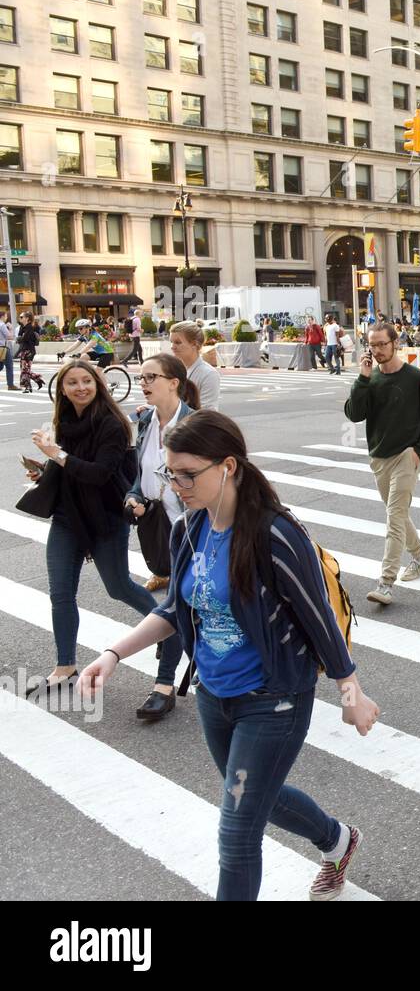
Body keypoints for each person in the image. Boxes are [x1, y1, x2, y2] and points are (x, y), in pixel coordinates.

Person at [80, 410, 378, 901]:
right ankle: (337, 840)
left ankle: (333, 843)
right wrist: (114, 653)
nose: (177, 486)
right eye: (169, 474)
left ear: (230, 466)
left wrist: (352, 692)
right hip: (213, 696)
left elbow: (319, 617)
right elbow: (176, 608)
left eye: (188, 474)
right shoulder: (190, 531)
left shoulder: (276, 534)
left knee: (237, 834)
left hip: (273, 700)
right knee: (258, 798)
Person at [22, 360, 180, 704]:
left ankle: (170, 628)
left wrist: (56, 454)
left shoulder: (112, 423)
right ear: (62, 389)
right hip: (69, 518)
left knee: (119, 587)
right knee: (60, 593)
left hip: (107, 517)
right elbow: (67, 467)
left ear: (98, 384)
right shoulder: (63, 423)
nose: (80, 388)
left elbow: (97, 474)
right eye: (72, 383)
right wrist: (47, 470)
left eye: (87, 381)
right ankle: (65, 665)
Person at [122, 353, 200, 719]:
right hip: (160, 526)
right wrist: (135, 494)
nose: (144, 383)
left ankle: (164, 685)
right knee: (182, 603)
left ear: (174, 382)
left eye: (151, 376)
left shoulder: (195, 424)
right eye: (141, 378)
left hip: (194, 527)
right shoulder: (145, 421)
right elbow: (141, 472)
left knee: (175, 603)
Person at [343, 324, 420, 604]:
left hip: (406, 457)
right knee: (397, 514)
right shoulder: (370, 378)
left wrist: (419, 450)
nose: (376, 350)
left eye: (382, 344)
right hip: (379, 457)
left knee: (394, 518)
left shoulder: (416, 378)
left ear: (395, 343)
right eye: (372, 345)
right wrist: (361, 379)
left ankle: (385, 583)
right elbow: (354, 414)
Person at [168, 321, 221, 410]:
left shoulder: (209, 374)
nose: (172, 347)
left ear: (194, 344)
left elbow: (206, 412)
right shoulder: (171, 370)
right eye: (171, 342)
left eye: (178, 342)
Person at [17, 311, 43, 393]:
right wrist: (20, 338)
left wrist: (20, 338)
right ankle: (33, 383)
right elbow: (19, 337)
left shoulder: (29, 327)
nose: (20, 318)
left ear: (27, 318)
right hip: (24, 349)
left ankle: (29, 386)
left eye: (22, 317)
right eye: (20, 317)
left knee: (25, 369)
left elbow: (23, 339)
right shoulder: (22, 327)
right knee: (24, 369)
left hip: (29, 350)